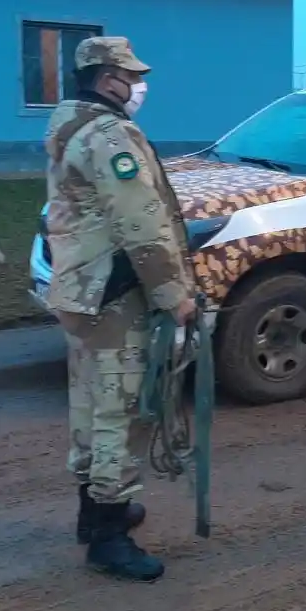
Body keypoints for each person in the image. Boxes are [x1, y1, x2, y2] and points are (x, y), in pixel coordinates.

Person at [42, 35, 197, 582]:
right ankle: (109, 536)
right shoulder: (110, 135)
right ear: (108, 79)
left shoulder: (69, 123)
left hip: (80, 290)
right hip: (113, 294)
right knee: (121, 413)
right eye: (130, 79)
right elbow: (141, 224)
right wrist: (174, 295)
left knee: (90, 404)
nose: (136, 88)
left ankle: (95, 511)